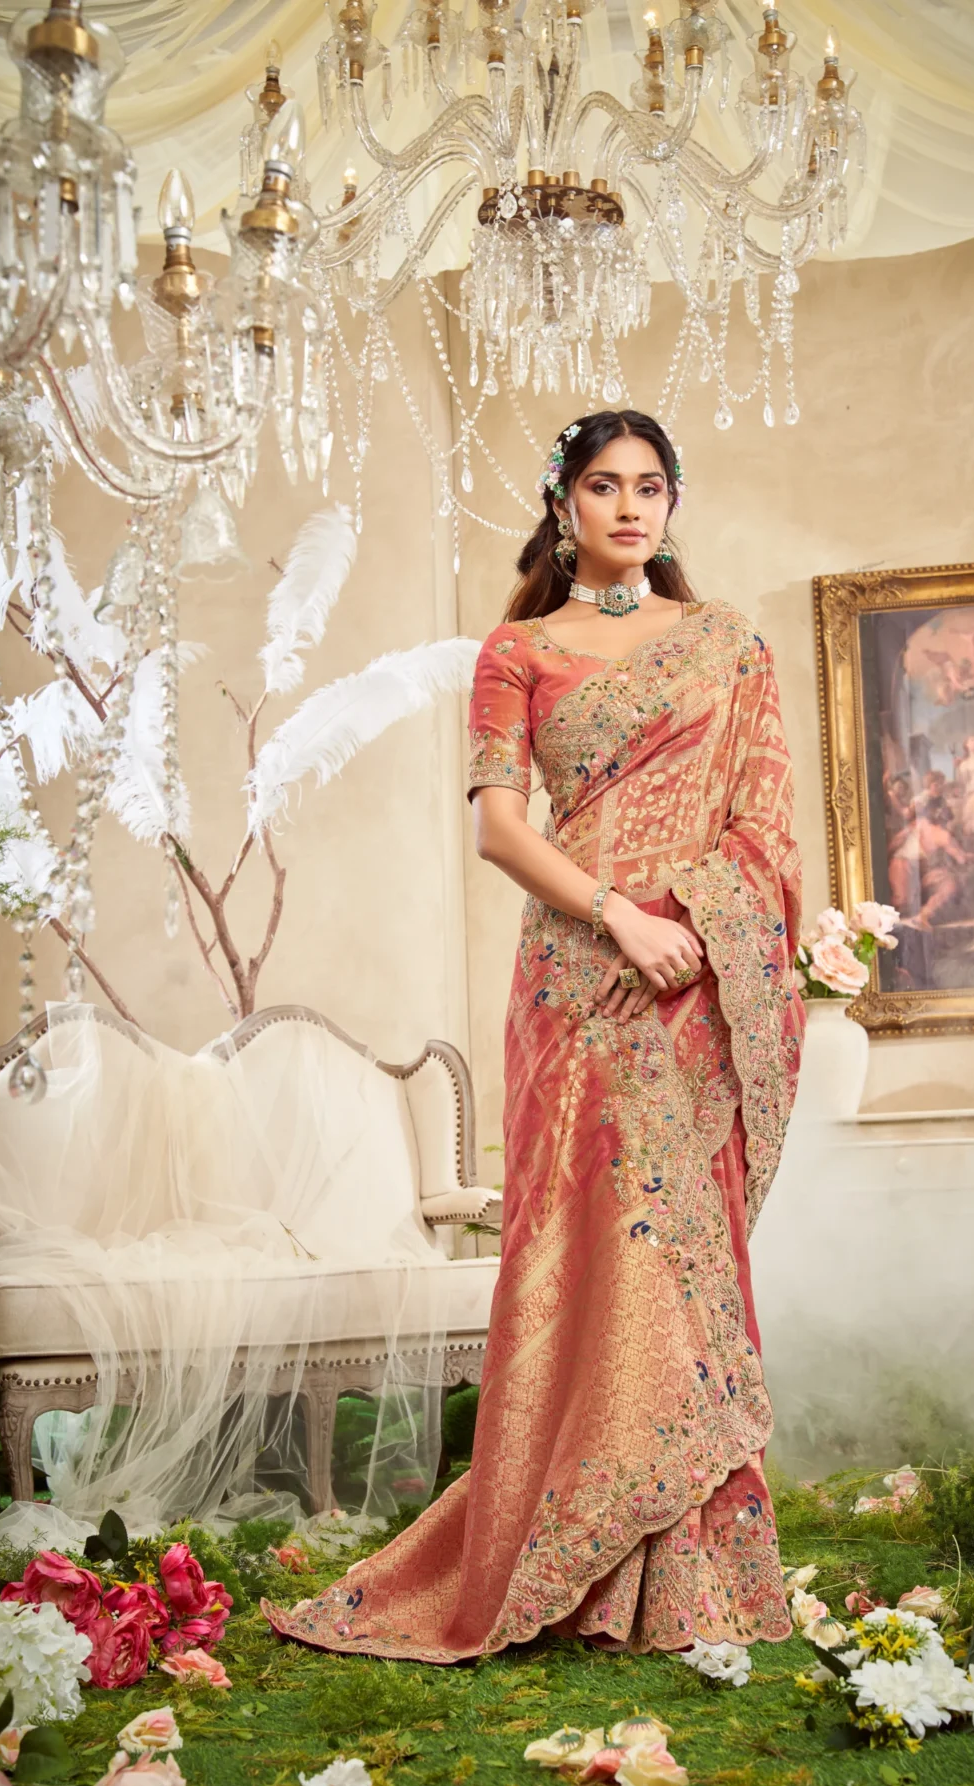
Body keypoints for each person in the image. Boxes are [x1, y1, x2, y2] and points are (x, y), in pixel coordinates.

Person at [262, 409, 804, 1662]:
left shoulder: (731, 647)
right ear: (563, 505)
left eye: (652, 487)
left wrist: (700, 934)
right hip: (580, 983)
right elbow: (503, 831)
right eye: (604, 486)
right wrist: (623, 916)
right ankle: (573, 1558)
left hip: (697, 983)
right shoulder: (516, 651)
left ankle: (683, 1574)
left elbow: (766, 830)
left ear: (675, 504)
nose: (630, 508)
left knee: (680, 1257)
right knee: (581, 1256)